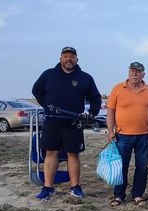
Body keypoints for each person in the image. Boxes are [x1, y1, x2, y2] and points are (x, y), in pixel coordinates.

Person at [32, 46, 102, 200]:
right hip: (52, 122)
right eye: (66, 56)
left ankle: (75, 187)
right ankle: (48, 188)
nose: (69, 59)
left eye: (72, 56)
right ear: (60, 58)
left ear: (77, 59)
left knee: (73, 154)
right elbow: (36, 90)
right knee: (51, 153)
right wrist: (47, 106)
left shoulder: (85, 78)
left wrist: (92, 113)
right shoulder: (48, 74)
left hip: (73, 123)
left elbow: (96, 98)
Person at [105, 61, 148, 207]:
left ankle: (138, 194)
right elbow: (110, 111)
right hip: (123, 136)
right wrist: (110, 131)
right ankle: (119, 195)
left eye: (138, 71)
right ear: (128, 72)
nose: (135, 73)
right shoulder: (118, 89)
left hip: (144, 135)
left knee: (142, 166)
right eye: (132, 71)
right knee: (121, 166)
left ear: (143, 74)